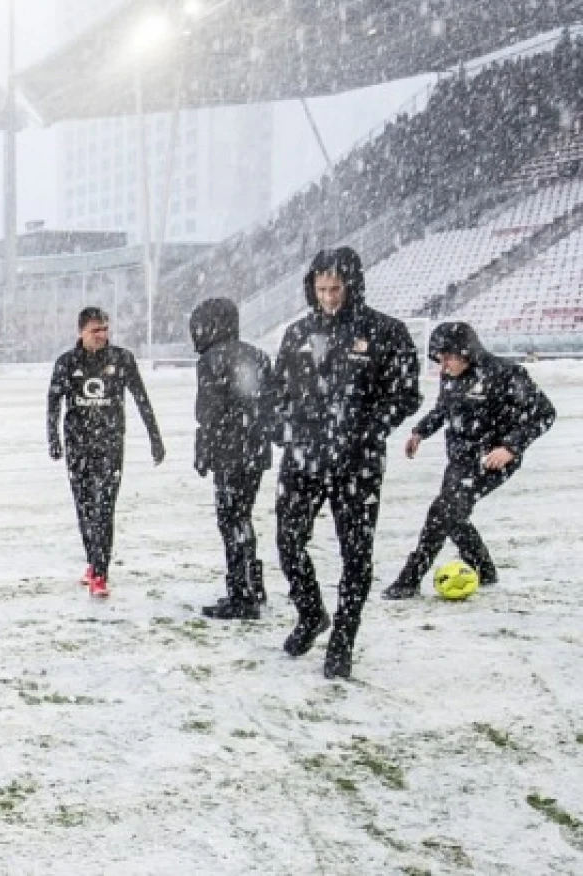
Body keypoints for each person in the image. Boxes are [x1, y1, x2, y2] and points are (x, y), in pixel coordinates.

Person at [271, 247, 420, 679]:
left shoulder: (385, 332)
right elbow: (277, 389)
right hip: (304, 458)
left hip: (358, 463)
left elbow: (406, 394)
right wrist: (281, 426)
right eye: (321, 289)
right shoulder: (297, 333)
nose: (329, 297)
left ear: (351, 285)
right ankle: (312, 612)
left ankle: (343, 640)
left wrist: (370, 428)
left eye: (336, 288)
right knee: (288, 541)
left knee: (356, 554)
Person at [382, 322, 553, 599]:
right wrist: (420, 432)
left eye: (447, 357)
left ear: (467, 351)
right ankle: (484, 570)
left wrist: (510, 448)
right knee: (452, 514)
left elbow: (544, 413)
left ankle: (410, 577)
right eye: (439, 358)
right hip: (460, 459)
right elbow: (443, 409)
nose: (443, 365)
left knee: (442, 512)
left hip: (492, 460)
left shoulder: (506, 373)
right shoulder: (450, 375)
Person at [45, 307, 165, 599]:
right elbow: (53, 402)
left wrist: (155, 437)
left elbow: (141, 398)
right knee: (85, 508)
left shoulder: (121, 359)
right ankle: (93, 560)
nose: (101, 335)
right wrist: (53, 438)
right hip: (78, 446)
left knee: (105, 509)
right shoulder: (67, 362)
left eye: (105, 329)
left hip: (110, 445)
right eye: (95, 330)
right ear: (81, 332)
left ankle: (101, 573)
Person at [189, 298, 274, 620]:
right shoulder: (259, 356)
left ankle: (241, 593)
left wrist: (204, 452)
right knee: (243, 517)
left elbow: (208, 412)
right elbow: (272, 403)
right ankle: (253, 585)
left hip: (229, 451)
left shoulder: (212, 360)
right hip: (254, 450)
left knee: (230, 519)